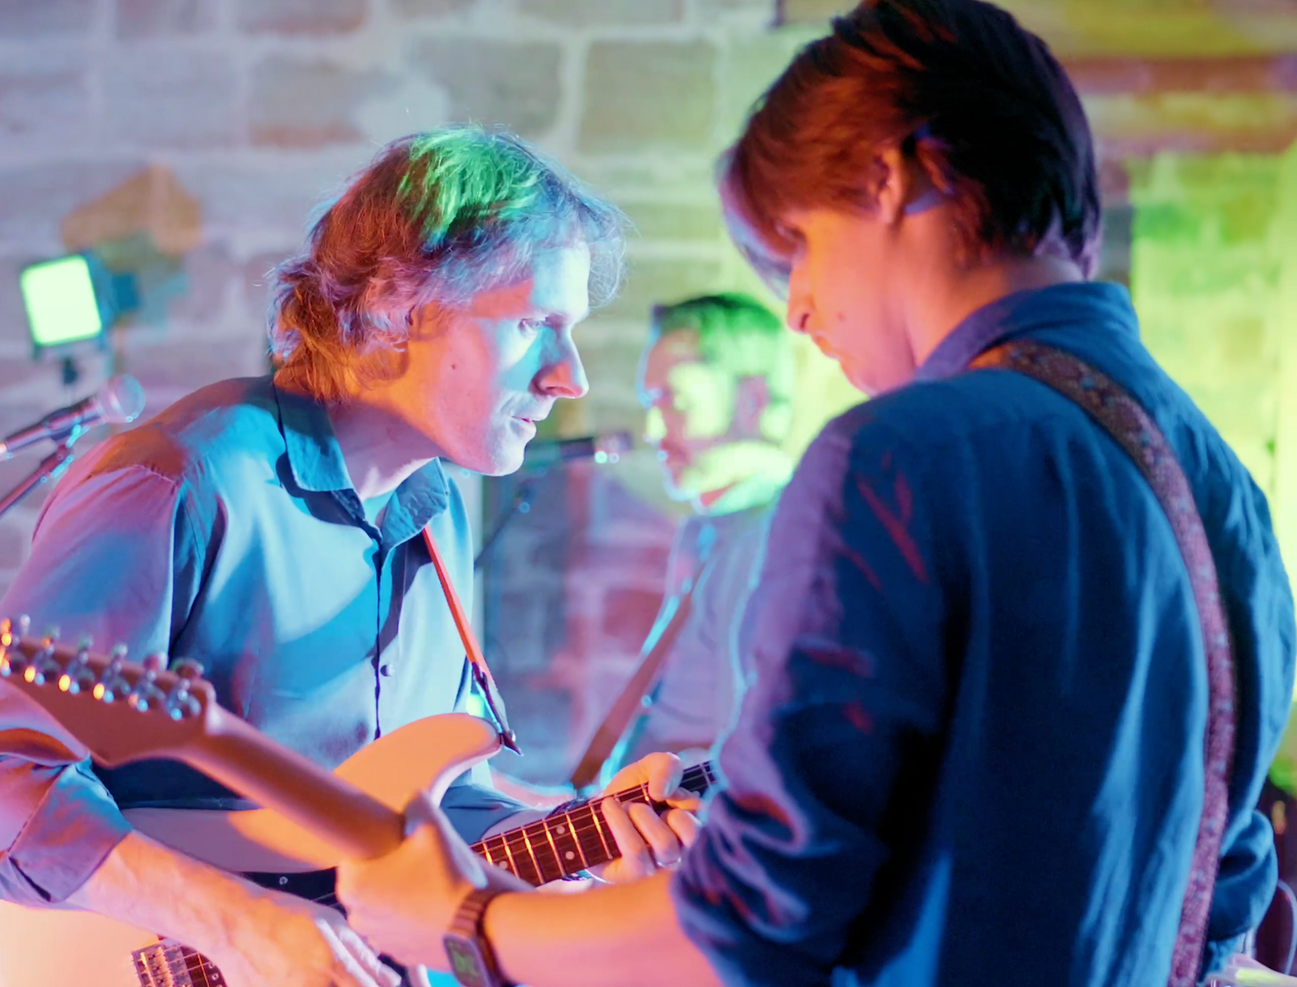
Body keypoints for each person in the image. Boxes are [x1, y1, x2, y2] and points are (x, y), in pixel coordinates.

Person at [334, 3, 1297, 986]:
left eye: (795, 245)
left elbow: (749, 929)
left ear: (892, 178)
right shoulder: (1221, 485)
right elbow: (1222, 900)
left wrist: (466, 922)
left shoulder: (895, 458)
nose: (795, 307)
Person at [0, 126, 699, 987]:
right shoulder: (181, 476)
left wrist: (593, 827)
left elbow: (416, 813)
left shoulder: (442, 515)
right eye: (536, 324)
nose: (570, 376)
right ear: (404, 304)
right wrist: (240, 925)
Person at [608, 293, 796, 771]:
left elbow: (745, 752)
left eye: (677, 400)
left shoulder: (769, 538)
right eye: (651, 402)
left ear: (752, 400)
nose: (652, 428)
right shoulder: (712, 528)